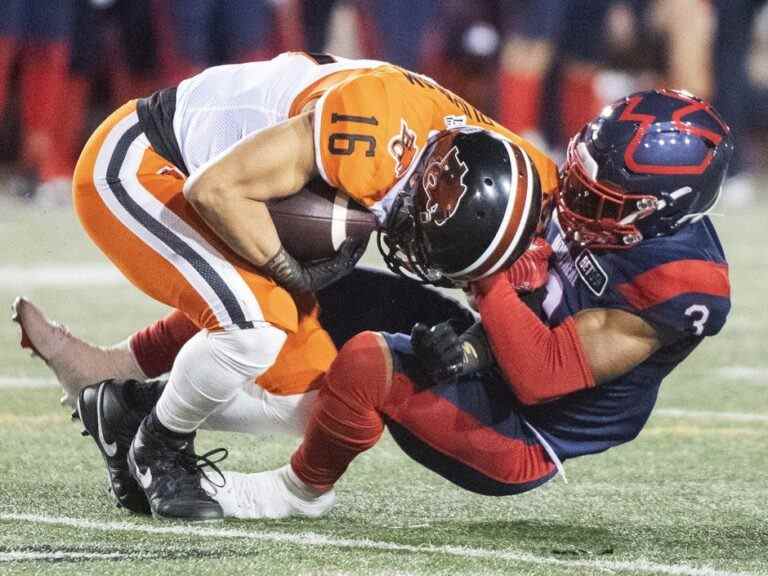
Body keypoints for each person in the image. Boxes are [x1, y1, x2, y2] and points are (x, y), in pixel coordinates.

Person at [13, 50, 557, 521]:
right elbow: (215, 189)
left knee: (326, 403)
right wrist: (290, 270)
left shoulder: (514, 163)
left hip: (233, 186)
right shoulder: (369, 134)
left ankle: (126, 406)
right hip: (147, 164)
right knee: (253, 329)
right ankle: (159, 445)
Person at [202, 88, 733, 519]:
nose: (570, 200)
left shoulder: (678, 283)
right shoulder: (599, 209)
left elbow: (541, 377)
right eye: (575, 175)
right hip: (485, 348)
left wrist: (484, 269)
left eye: (593, 200)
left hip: (521, 432)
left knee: (369, 363)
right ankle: (155, 397)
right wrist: (476, 338)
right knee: (322, 291)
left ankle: (298, 492)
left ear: (656, 213)